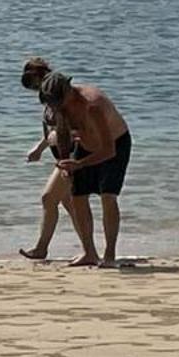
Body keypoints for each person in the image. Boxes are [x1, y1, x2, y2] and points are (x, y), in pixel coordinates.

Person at [39, 70, 133, 267]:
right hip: (85, 147)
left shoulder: (92, 105)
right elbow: (63, 134)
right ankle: (89, 252)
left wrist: (80, 164)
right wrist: (65, 162)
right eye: (50, 103)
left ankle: (109, 256)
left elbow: (108, 150)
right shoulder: (58, 107)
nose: (54, 107)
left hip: (115, 146)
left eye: (57, 102)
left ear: (68, 91)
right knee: (78, 197)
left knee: (108, 197)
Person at [18, 56, 79, 260]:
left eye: (34, 86)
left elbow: (72, 127)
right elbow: (54, 130)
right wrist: (40, 148)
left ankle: (41, 248)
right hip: (63, 154)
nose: (37, 92)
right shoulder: (52, 94)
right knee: (69, 203)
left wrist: (64, 154)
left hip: (71, 154)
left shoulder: (56, 92)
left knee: (48, 198)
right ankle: (90, 249)